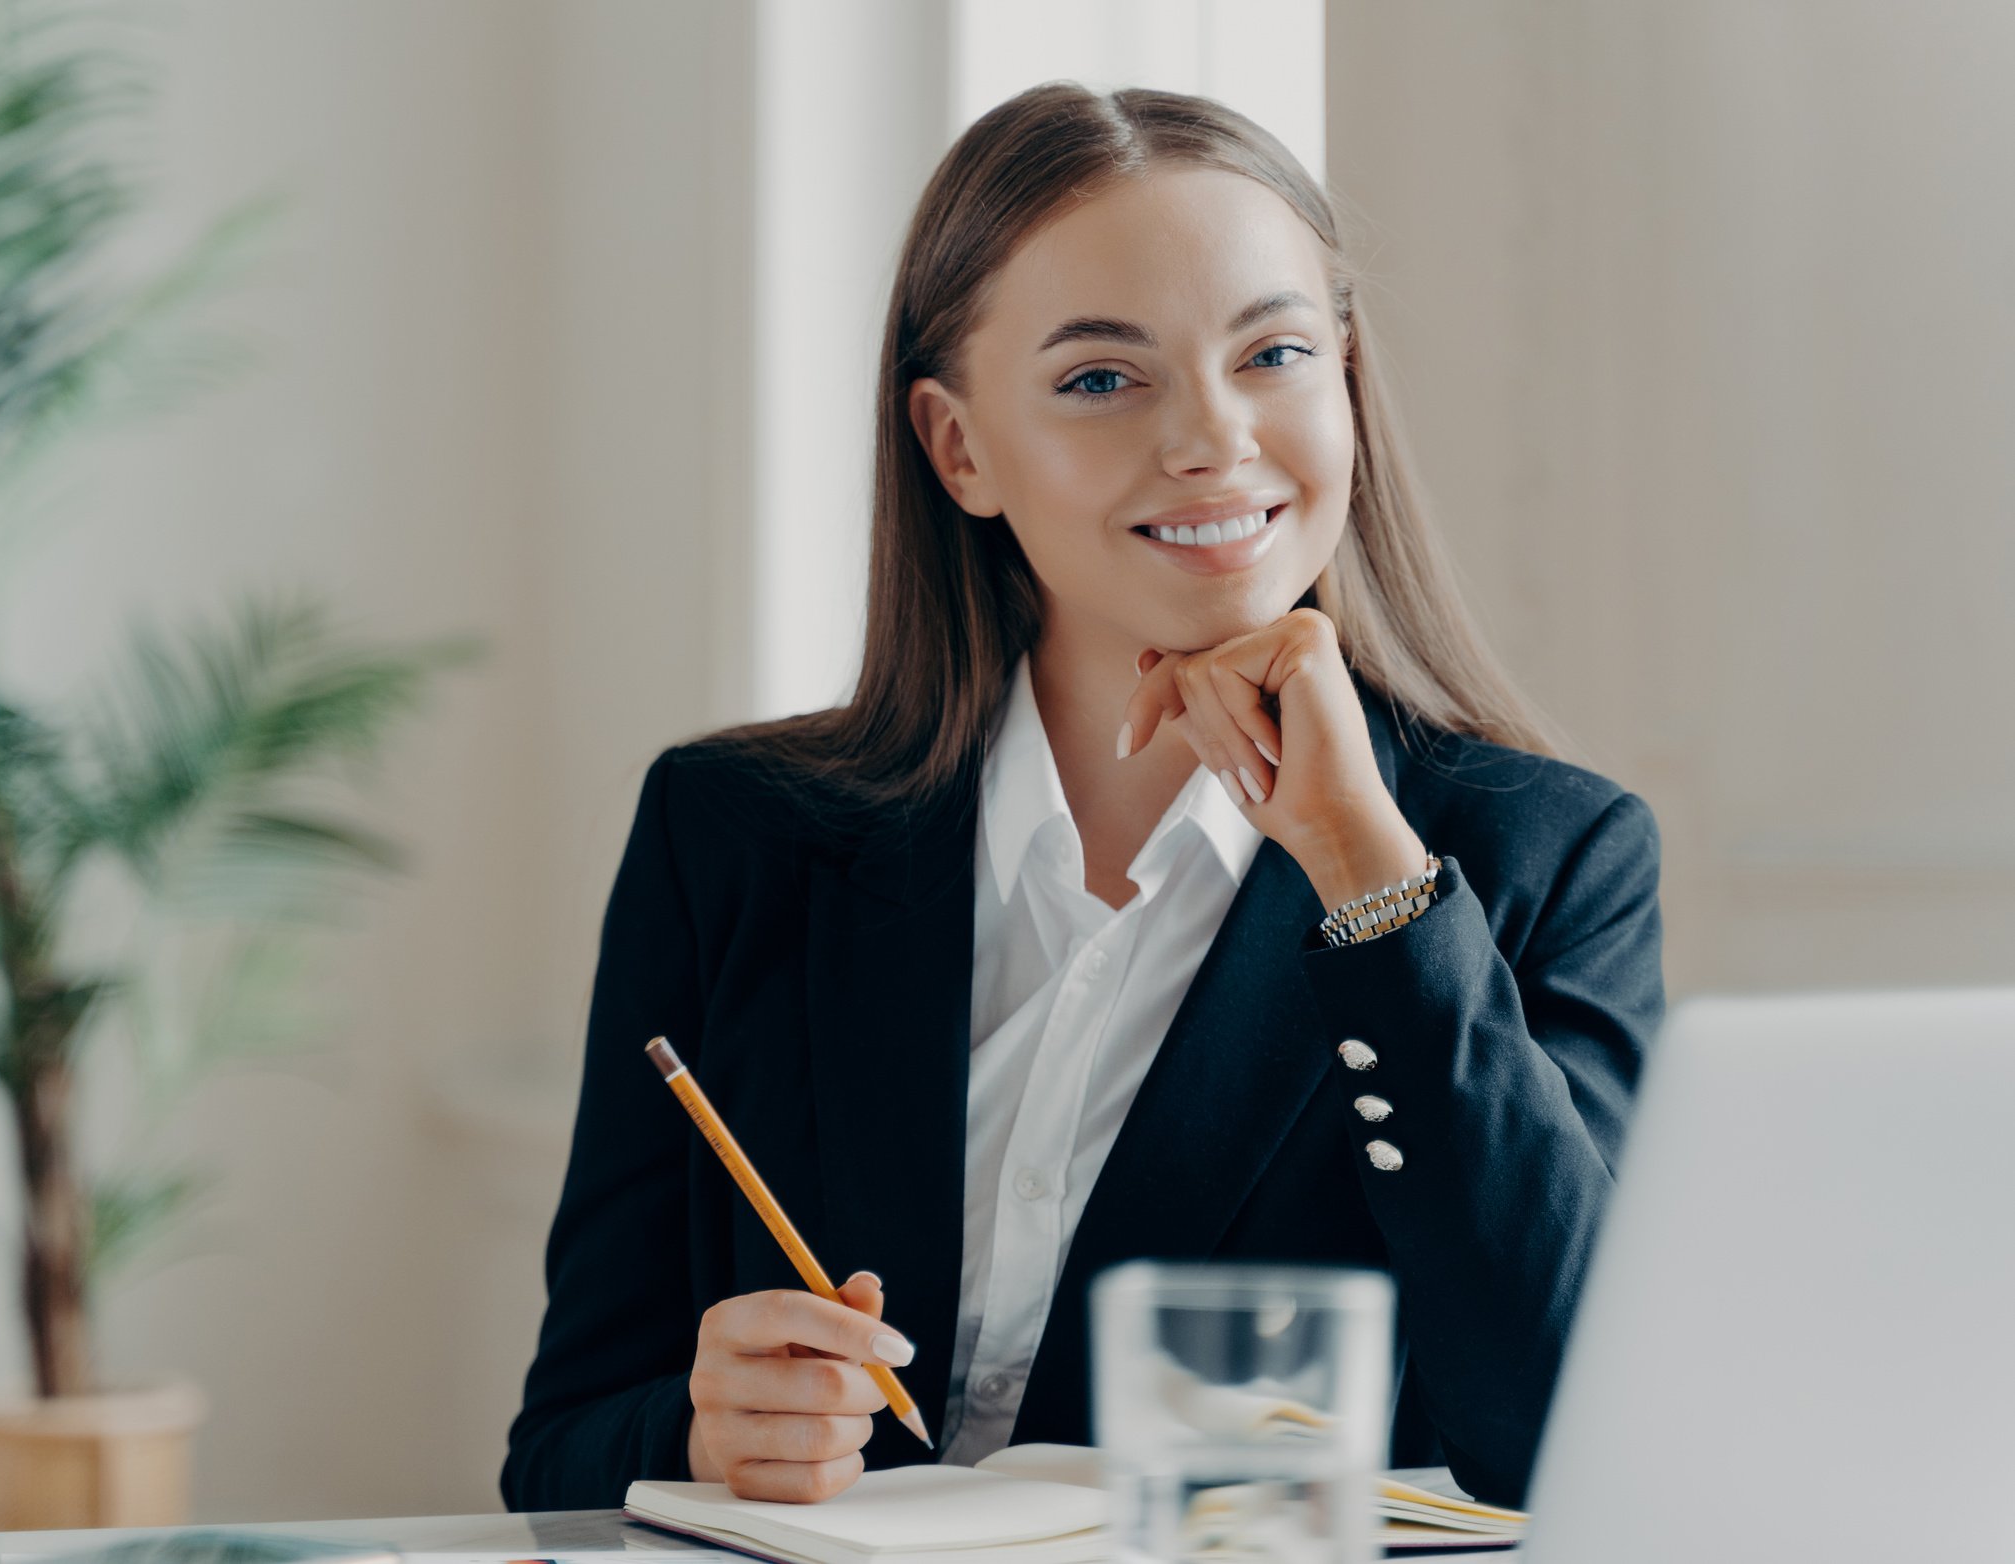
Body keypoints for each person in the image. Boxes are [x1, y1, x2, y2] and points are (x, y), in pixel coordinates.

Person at [499, 82, 1664, 1516]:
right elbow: (556, 1446)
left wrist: (1373, 886)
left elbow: (1573, 1439)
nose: (1211, 441)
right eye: (1102, 379)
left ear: (1344, 382)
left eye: (1274, 354)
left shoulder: (1547, 855)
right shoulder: (732, 832)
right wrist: (696, 1432)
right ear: (957, 448)